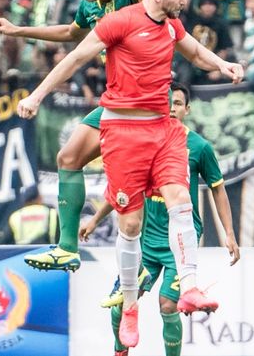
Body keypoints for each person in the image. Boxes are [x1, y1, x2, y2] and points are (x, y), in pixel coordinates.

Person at [15, 0, 244, 348]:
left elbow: (197, 53)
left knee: (179, 199)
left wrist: (223, 64)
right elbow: (74, 59)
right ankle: (131, 304)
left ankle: (189, 285)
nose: (184, 2)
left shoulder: (172, 26)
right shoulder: (119, 21)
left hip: (162, 129)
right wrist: (37, 95)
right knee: (131, 226)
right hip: (122, 131)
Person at [0, 0, 148, 273]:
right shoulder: (89, 6)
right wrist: (19, 30)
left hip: (145, 102)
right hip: (117, 100)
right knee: (68, 158)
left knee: (138, 193)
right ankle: (68, 248)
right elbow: (71, 33)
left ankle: (146, 266)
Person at [79, 82, 240, 356]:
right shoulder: (146, 141)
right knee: (121, 302)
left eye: (178, 103)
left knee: (168, 304)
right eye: (168, 103)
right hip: (146, 239)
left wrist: (229, 233)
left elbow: (218, 189)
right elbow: (124, 190)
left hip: (177, 242)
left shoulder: (199, 147)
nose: (172, 108)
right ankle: (120, 352)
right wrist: (95, 220)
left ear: (187, 109)